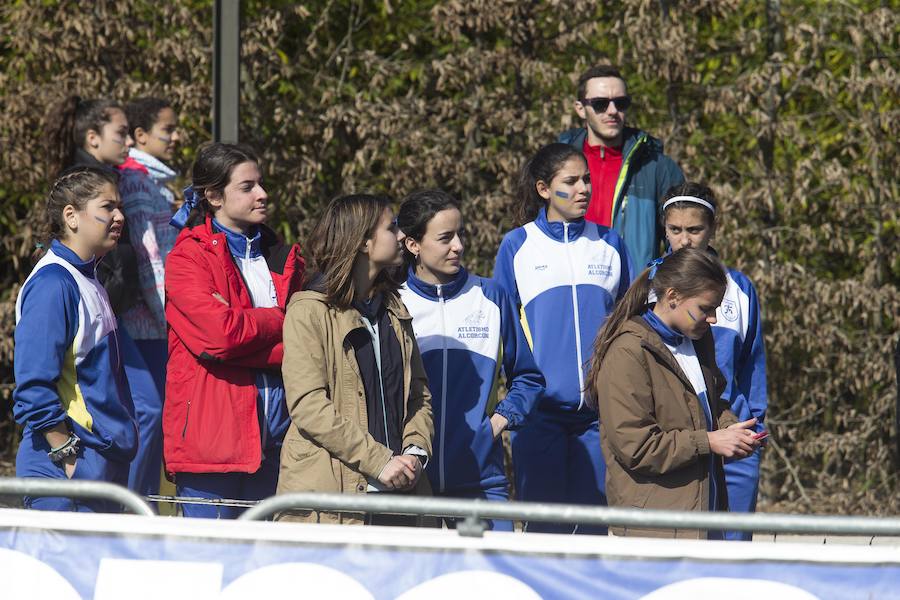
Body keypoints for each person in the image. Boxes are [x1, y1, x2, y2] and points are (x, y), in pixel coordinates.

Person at [493, 143, 633, 534]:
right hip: (539, 416)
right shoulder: (517, 246)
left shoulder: (611, 243)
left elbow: (630, 325)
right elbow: (503, 330)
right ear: (543, 189)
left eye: (586, 179)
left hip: (599, 415)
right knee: (545, 534)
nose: (583, 188)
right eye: (570, 181)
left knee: (593, 534)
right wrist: (518, 400)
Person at [163, 143, 305, 518]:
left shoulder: (284, 257)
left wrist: (247, 328)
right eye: (247, 187)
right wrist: (280, 320)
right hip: (211, 445)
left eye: (261, 183)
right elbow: (221, 336)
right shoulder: (187, 258)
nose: (263, 194)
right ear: (213, 196)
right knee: (205, 565)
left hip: (278, 442)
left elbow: (308, 343)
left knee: (260, 567)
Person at [277, 194, 433, 526]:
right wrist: (380, 462)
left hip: (402, 497)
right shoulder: (308, 311)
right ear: (363, 242)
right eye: (391, 228)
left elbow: (418, 395)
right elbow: (308, 406)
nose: (401, 236)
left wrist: (415, 454)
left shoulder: (394, 310)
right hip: (334, 503)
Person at [586, 247, 762, 538]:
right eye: (706, 309)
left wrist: (732, 429)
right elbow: (636, 447)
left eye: (716, 309)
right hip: (656, 531)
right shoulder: (628, 352)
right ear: (672, 297)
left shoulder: (698, 340)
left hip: (703, 518)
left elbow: (710, 405)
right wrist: (709, 442)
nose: (714, 319)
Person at [397, 189, 545, 531]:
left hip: (483, 482)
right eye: (445, 237)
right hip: (413, 485)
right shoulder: (394, 304)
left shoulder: (492, 296)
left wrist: (495, 424)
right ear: (414, 245)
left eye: (459, 234)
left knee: (493, 582)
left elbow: (529, 378)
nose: (459, 245)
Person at [44, 95, 163, 503]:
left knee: (138, 408)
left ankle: (129, 499)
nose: (129, 142)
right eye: (121, 133)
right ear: (93, 138)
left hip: (110, 308)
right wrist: (63, 450)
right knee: (147, 408)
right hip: (105, 312)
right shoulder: (85, 183)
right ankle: (134, 502)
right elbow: (32, 384)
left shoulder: (109, 178)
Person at [13, 166, 138, 512]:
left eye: (120, 207)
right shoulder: (54, 283)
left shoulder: (90, 277)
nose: (119, 217)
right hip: (66, 466)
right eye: (107, 207)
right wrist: (68, 457)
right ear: (72, 216)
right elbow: (33, 385)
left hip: (100, 459)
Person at [660, 182, 768, 541]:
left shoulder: (739, 288)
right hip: (680, 443)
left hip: (735, 439)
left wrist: (753, 426)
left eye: (694, 229)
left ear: (713, 229)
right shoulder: (649, 285)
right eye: (675, 230)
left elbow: (753, 364)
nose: (685, 240)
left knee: (733, 553)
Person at [114, 96, 181, 497]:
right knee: (150, 413)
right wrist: (170, 321)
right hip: (148, 323)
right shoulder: (136, 179)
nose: (176, 137)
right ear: (141, 135)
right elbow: (149, 258)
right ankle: (134, 507)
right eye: (167, 130)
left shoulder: (154, 181)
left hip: (156, 321)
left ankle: (144, 505)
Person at [558, 64, 684, 269]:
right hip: (568, 291)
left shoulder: (658, 167)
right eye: (600, 104)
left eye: (621, 103)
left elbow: (682, 241)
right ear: (580, 109)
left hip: (633, 296)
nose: (612, 111)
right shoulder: (555, 164)